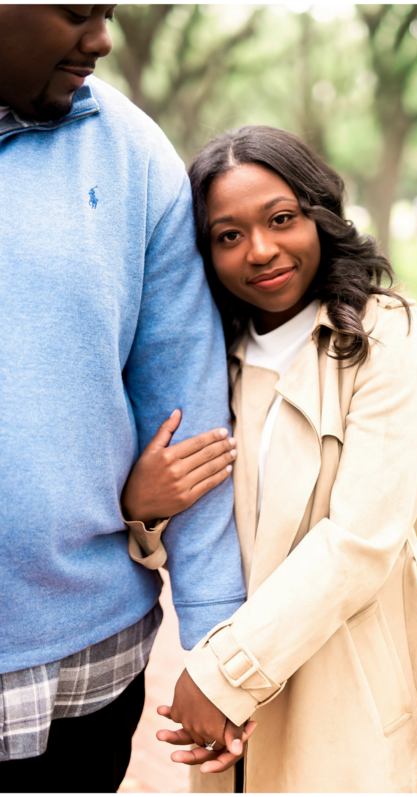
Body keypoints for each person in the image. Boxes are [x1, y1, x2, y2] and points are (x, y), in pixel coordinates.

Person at [129, 126, 417, 792]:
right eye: (228, 235)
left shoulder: (385, 335)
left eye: (281, 219)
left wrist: (224, 675)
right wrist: (141, 507)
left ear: (320, 215)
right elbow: (188, 538)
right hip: (229, 714)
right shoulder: (205, 362)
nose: (262, 250)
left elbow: (361, 542)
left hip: (345, 691)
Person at [0, 5, 245, 792]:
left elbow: (193, 422)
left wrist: (217, 650)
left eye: (108, 11)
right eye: (77, 10)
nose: (102, 37)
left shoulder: (133, 152)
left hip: (89, 664)